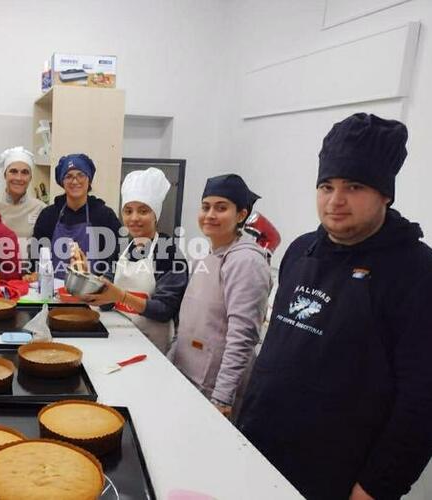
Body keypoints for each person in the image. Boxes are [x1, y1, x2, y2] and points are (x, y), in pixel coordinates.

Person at [238, 113, 432, 499]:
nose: (336, 200)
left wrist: (376, 486)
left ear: (385, 194)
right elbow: (276, 350)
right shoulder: (300, 251)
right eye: (326, 186)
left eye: (354, 186)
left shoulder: (415, 271)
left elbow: (422, 398)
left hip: (336, 475)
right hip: (259, 447)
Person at [174, 174, 272, 420]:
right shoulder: (206, 255)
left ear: (241, 215)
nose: (210, 215)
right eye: (206, 207)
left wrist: (222, 398)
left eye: (221, 208)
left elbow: (243, 336)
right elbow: (189, 320)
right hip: (187, 373)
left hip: (214, 387)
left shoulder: (245, 261)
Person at [81, 168, 188, 354]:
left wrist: (122, 297)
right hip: (119, 338)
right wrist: (87, 276)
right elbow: (105, 301)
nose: (134, 218)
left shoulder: (168, 252)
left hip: (152, 347)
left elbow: (164, 310)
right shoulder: (123, 248)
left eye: (143, 211)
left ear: (156, 215)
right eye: (128, 211)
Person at [32, 154, 121, 278]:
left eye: (81, 175)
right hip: (52, 290)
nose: (75, 181)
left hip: (94, 291)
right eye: (68, 176)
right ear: (62, 182)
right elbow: (36, 254)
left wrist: (105, 279)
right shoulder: (49, 215)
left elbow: (118, 255)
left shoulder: (104, 216)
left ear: (89, 179)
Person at [0, 146, 46, 241]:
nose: (19, 178)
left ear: (30, 177)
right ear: (5, 175)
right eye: (13, 171)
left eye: (25, 172)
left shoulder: (41, 209)